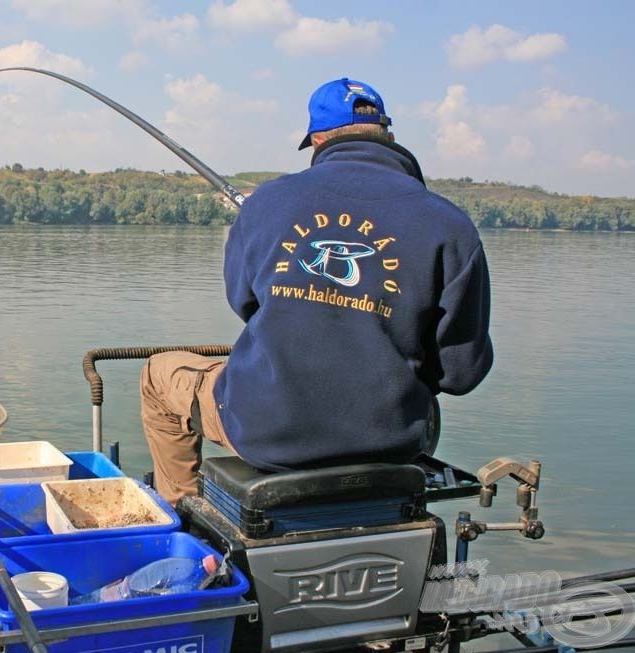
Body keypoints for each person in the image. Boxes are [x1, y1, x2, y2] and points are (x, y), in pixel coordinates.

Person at [140, 77, 493, 506]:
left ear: (318, 140)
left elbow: (246, 304)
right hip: (394, 442)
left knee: (159, 374)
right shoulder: (450, 225)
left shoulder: (267, 202)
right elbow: (461, 373)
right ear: (387, 136)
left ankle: (185, 516)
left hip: (267, 434)